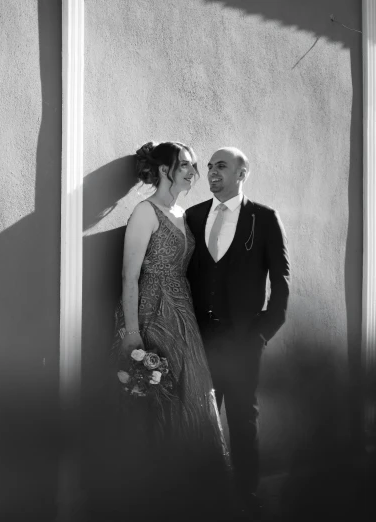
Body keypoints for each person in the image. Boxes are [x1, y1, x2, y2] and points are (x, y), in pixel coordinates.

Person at [109, 141, 235, 521]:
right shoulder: (145, 212)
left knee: (192, 395)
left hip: (182, 314)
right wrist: (132, 333)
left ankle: (189, 495)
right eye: (185, 165)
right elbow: (129, 276)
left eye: (194, 166)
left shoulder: (180, 212)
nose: (193, 173)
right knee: (157, 400)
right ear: (164, 170)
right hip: (150, 315)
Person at [186, 147, 290, 521]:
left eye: (222, 167)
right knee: (201, 418)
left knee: (243, 420)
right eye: (210, 167)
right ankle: (204, 496)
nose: (212, 173)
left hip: (244, 340)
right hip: (200, 339)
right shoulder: (194, 216)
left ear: (242, 174)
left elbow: (281, 282)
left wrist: (262, 332)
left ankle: (246, 496)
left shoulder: (264, 219)